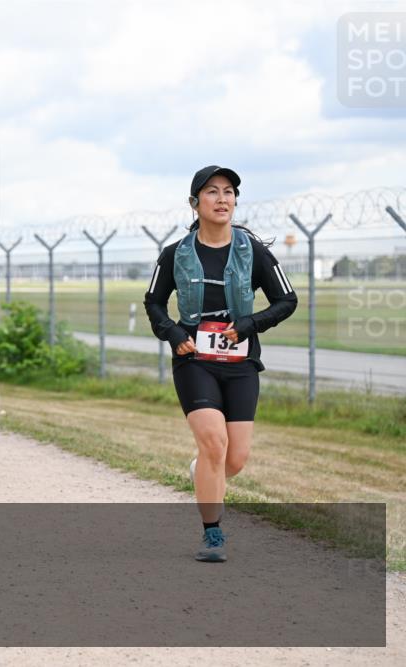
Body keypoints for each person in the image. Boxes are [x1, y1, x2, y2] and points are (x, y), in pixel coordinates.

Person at [144, 166, 297, 562]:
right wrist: (175, 335)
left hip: (241, 361)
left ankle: (203, 471)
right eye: (212, 192)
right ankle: (212, 534)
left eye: (229, 192)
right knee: (214, 442)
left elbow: (287, 300)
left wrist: (248, 324)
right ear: (195, 203)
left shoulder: (252, 251)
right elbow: (154, 302)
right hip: (194, 360)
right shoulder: (175, 254)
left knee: (235, 458)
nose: (222, 198)